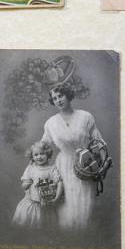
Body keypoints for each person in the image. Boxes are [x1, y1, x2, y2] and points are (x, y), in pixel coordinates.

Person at [41, 84, 105, 231]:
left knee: (84, 206)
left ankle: (82, 236)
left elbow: (99, 142)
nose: (58, 100)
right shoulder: (51, 123)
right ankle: (69, 237)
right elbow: (43, 147)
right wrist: (36, 169)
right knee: (66, 207)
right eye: (54, 98)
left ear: (68, 95)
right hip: (63, 167)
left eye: (60, 96)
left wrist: (101, 166)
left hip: (86, 165)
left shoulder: (85, 117)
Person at [12, 141, 63, 229]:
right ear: (32, 157)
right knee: (28, 227)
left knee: (44, 227)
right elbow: (24, 186)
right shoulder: (30, 169)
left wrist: (56, 198)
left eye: (42, 154)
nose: (39, 157)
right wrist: (26, 184)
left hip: (46, 205)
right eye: (36, 155)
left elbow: (59, 183)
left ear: (47, 154)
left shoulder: (52, 169)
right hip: (31, 204)